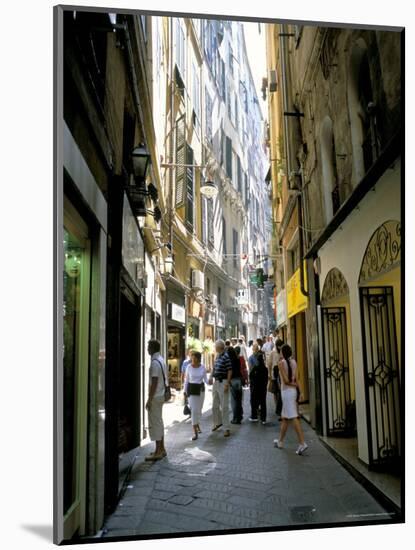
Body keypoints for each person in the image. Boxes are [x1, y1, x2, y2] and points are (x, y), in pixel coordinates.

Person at [274, 344, 308, 455]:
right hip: (292, 393)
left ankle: (302, 443)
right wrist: (301, 391)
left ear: (283, 353)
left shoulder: (281, 364)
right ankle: (280, 441)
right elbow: (297, 379)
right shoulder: (294, 362)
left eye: (280, 352)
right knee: (285, 417)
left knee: (293, 417)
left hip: (286, 392)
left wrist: (293, 386)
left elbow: (286, 380)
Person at [145, 339, 168, 461]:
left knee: (155, 422)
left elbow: (154, 382)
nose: (147, 349)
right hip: (161, 395)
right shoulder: (161, 359)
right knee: (159, 421)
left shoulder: (154, 362)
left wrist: (149, 399)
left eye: (148, 347)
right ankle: (161, 449)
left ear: (152, 348)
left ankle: (158, 451)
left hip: (156, 396)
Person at [209, 339, 233, 437]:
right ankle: (217, 422)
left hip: (223, 382)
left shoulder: (226, 356)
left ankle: (226, 428)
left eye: (215, 346)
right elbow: (214, 368)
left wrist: (227, 383)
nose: (214, 347)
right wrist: (211, 376)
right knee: (214, 405)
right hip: (216, 382)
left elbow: (230, 370)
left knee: (224, 406)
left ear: (220, 347)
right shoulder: (218, 356)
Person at [183, 351, 208, 440]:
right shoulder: (188, 367)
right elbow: (186, 381)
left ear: (198, 359)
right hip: (192, 390)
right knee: (194, 410)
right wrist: (184, 391)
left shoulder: (203, 367)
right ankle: (195, 432)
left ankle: (197, 424)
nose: (192, 359)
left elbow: (206, 380)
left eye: (193, 358)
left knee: (199, 410)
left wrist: (211, 381)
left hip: (201, 390)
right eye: (191, 358)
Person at [248, 344, 268, 424]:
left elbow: (251, 375)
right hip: (263, 388)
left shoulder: (255, 368)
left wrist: (251, 383)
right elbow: (266, 379)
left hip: (255, 387)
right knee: (263, 403)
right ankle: (263, 419)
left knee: (253, 401)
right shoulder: (265, 369)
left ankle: (254, 416)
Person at [268, 339, 284, 418]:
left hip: (282, 375)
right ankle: (277, 406)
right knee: (275, 392)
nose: (280, 347)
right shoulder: (273, 353)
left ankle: (279, 407)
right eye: (279, 345)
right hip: (275, 375)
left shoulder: (282, 352)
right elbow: (269, 364)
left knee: (280, 392)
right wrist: (270, 375)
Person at [227, 346, 243, 424]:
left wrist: (228, 381)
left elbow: (229, 372)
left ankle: (235, 418)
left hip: (233, 381)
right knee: (239, 400)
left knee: (234, 401)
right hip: (239, 380)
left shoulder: (229, 361)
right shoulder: (237, 359)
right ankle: (239, 416)